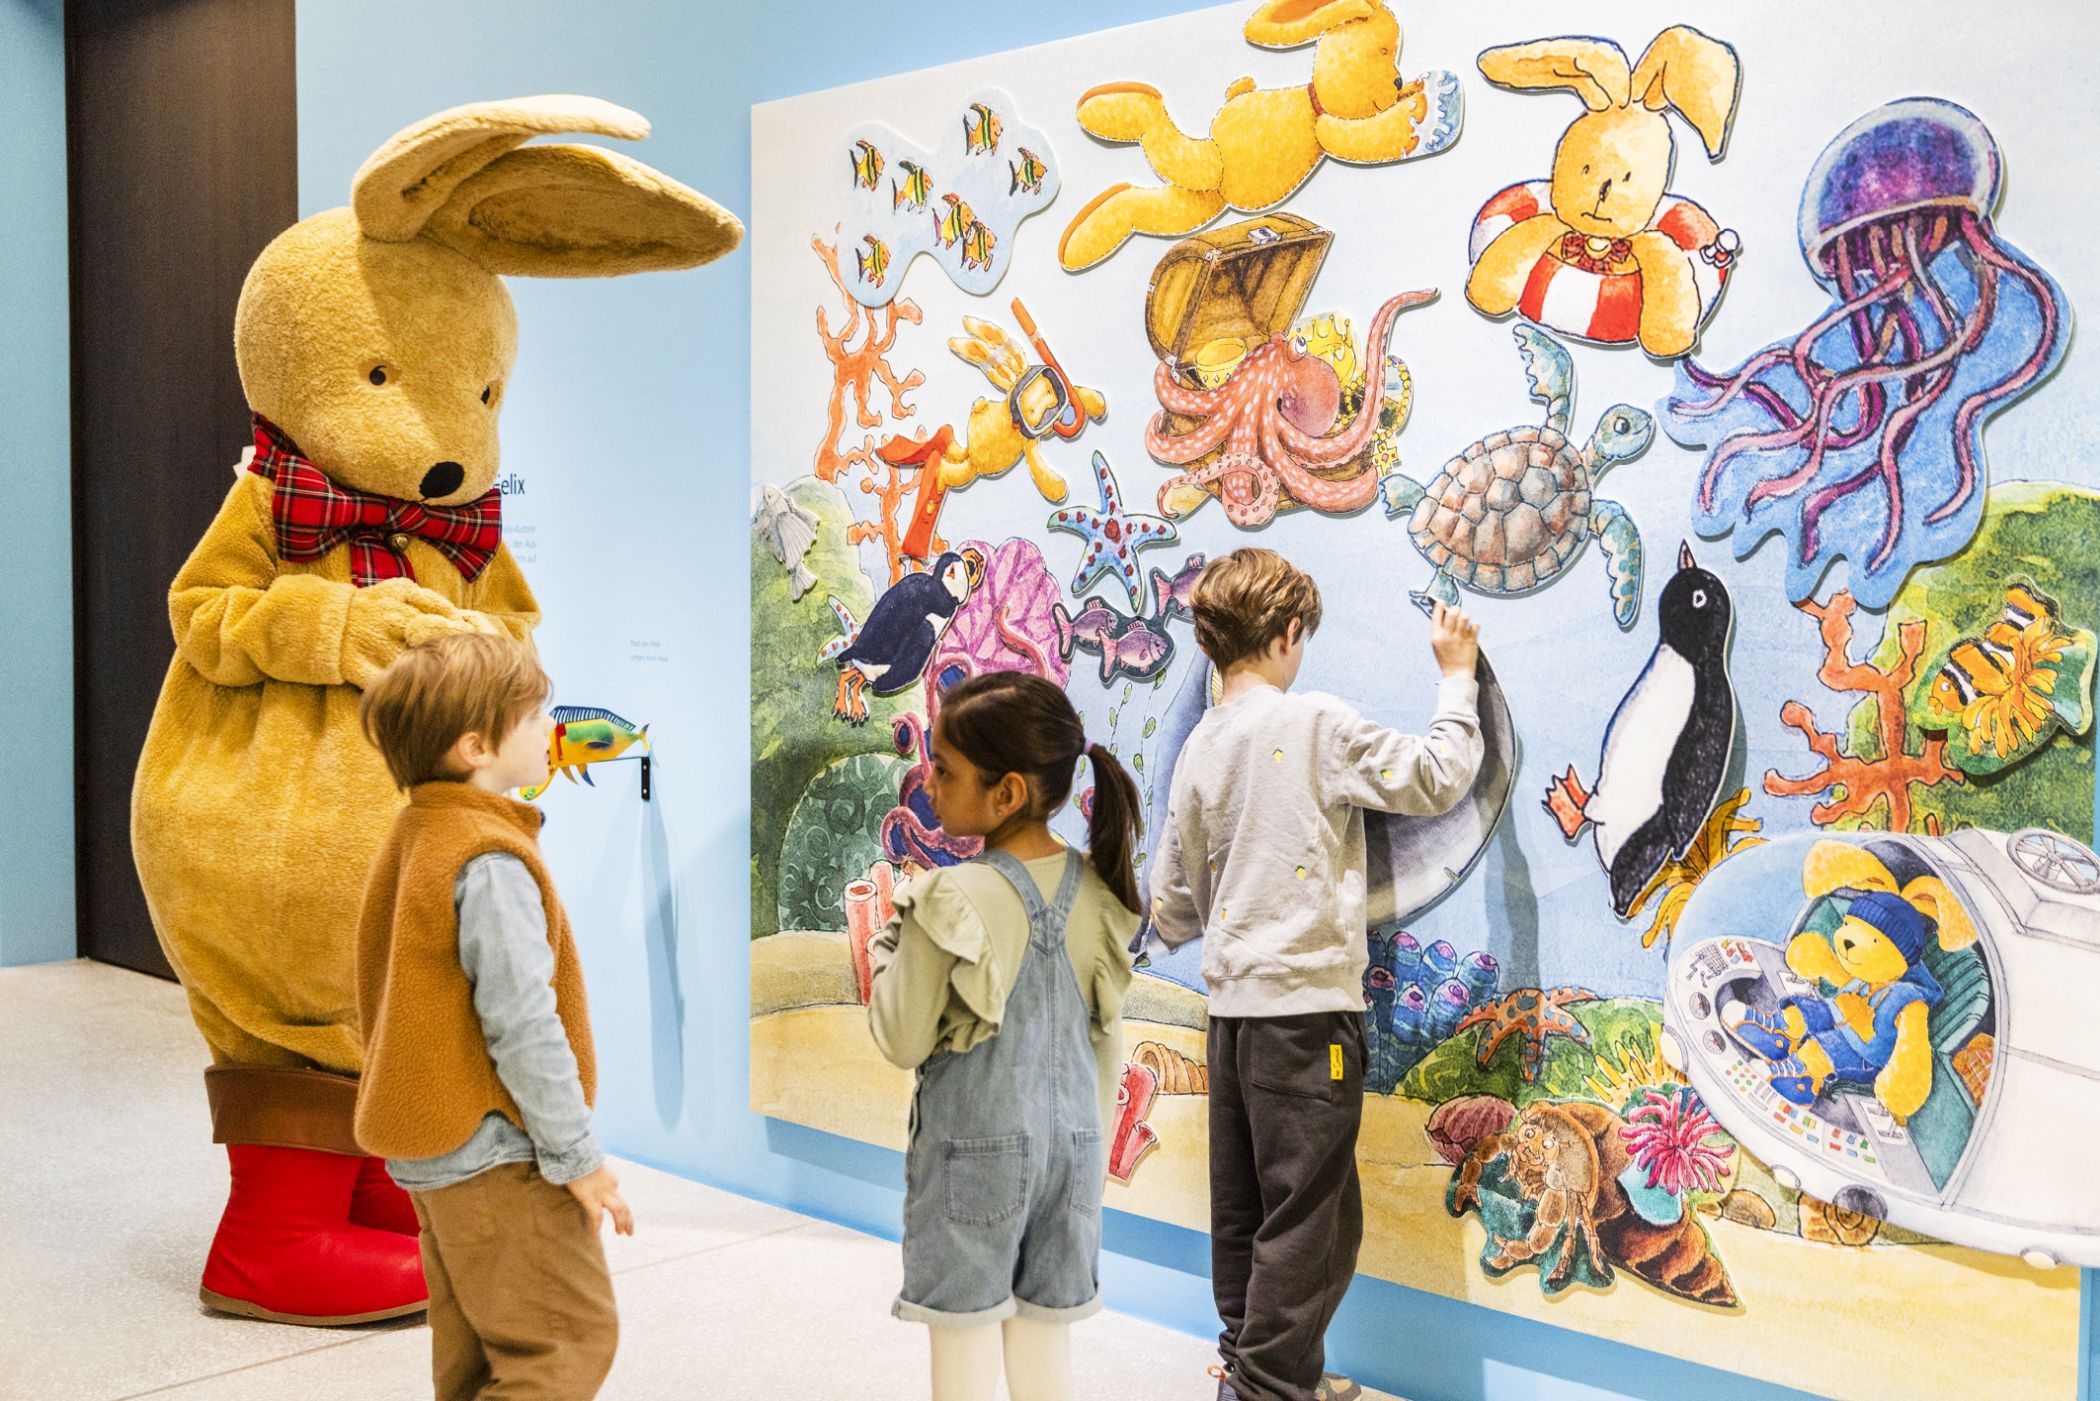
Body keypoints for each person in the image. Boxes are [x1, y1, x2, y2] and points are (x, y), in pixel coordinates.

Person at [1148, 550, 1484, 1401]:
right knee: (1313, 1223)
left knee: (1249, 1210)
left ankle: (1256, 1365)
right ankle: (1266, 1389)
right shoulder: (1315, 723)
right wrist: (1457, 676)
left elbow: (1172, 907)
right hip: (1305, 1018)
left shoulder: (1198, 747)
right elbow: (1438, 776)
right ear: (1289, 633)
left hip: (1230, 1018)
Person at [351, 633, 630, 1400]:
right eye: (534, 716)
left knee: (474, 1359)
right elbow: (524, 1023)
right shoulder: (488, 859)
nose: (550, 729)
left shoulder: (418, 830)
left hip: (437, 1155)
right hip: (496, 1149)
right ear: (475, 746)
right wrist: (577, 1156)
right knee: (565, 1342)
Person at [867, 671, 1143, 1401]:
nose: (928, 782)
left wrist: (887, 945)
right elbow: (1104, 1047)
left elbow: (899, 1036)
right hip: (1075, 1159)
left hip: (973, 1162)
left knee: (962, 1363)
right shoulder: (1100, 891)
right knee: (1045, 1358)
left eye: (945, 769)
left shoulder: (947, 896)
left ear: (1008, 792)